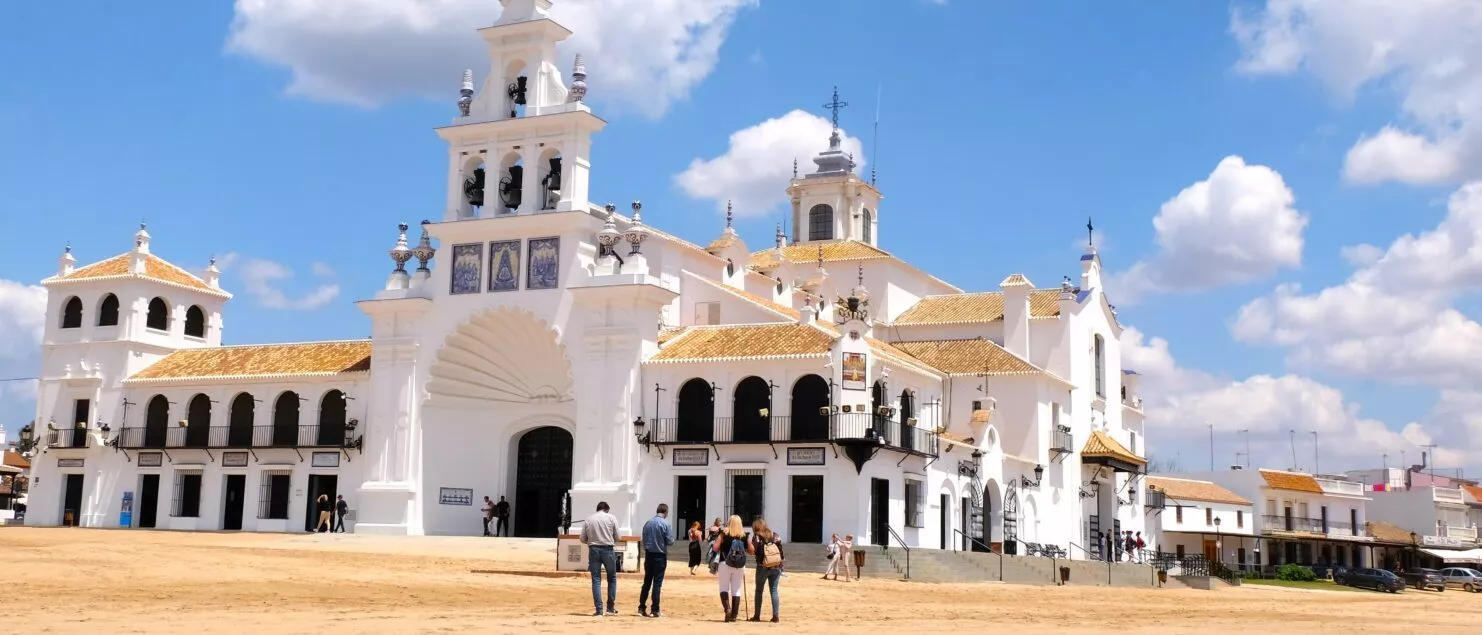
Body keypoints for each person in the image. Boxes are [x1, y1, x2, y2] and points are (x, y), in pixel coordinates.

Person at [579, 501, 620, 616]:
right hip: (608, 549)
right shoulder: (611, 518)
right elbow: (618, 537)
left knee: (596, 579)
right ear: (607, 509)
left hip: (594, 550)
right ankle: (610, 608)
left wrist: (592, 542)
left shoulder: (589, 519)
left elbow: (582, 538)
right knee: (611, 578)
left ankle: (599, 610)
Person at [638, 504, 675, 618]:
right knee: (657, 583)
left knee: (647, 581)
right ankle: (655, 609)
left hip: (649, 555)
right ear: (666, 512)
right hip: (660, 555)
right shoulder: (665, 524)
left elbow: (643, 538)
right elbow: (670, 541)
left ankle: (641, 607)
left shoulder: (648, 523)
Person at [712, 515, 750, 622]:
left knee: (724, 588)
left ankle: (727, 608)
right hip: (739, 566)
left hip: (724, 563)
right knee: (736, 590)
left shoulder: (724, 533)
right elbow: (751, 550)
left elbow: (715, 548)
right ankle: (734, 616)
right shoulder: (743, 535)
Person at [748, 518, 784, 623]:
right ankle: (775, 616)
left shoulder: (757, 537)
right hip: (776, 566)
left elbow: (754, 551)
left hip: (762, 566)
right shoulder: (775, 535)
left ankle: (757, 616)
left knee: (759, 591)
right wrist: (781, 565)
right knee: (774, 591)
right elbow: (781, 551)